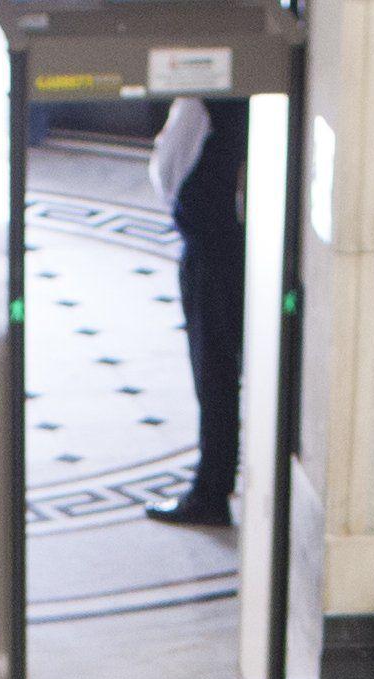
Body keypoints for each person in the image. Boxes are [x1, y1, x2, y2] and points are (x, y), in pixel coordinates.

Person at [146, 95, 248, 532]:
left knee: (214, 371)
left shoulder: (201, 101)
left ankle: (212, 489)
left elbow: (166, 173)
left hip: (212, 248)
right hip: (249, 242)